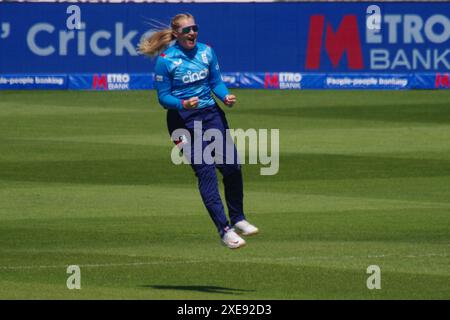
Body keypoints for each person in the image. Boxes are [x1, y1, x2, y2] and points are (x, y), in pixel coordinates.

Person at [139, 13, 258, 249]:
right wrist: (183, 104)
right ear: (176, 34)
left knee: (232, 166)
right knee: (206, 172)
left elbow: (215, 81)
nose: (192, 33)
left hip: (211, 115)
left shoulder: (206, 52)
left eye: (194, 28)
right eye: (186, 30)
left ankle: (238, 218)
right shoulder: (166, 60)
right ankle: (224, 230)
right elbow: (163, 98)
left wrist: (225, 96)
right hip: (182, 120)